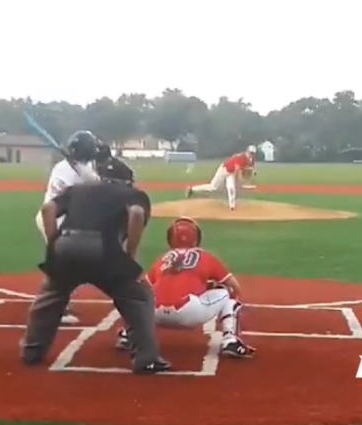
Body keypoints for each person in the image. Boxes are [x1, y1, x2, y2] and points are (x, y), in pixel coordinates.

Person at [20, 157, 171, 374]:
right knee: (138, 297)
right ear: (127, 180)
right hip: (104, 249)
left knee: (50, 296)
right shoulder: (133, 194)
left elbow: (47, 208)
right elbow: (136, 214)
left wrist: (54, 244)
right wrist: (130, 256)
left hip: (66, 246)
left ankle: (31, 350)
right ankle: (146, 358)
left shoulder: (78, 189)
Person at [115, 217, 256, 358]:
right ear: (196, 238)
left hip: (155, 314)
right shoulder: (205, 256)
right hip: (189, 313)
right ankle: (230, 340)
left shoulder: (163, 258)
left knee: (139, 295)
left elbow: (144, 286)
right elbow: (234, 286)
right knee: (228, 292)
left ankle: (129, 334)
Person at [33, 130, 101, 324]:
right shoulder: (63, 170)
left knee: (69, 263)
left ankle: (55, 301)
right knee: (62, 264)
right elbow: (67, 198)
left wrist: (88, 177)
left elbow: (95, 183)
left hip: (68, 223)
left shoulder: (84, 167)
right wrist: (86, 180)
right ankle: (55, 308)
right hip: (54, 221)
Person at [186, 145, 257, 210]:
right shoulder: (241, 158)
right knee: (213, 187)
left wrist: (251, 173)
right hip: (224, 170)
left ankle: (232, 206)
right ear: (247, 151)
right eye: (250, 153)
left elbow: (251, 168)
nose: (251, 155)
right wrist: (242, 181)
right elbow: (237, 172)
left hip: (231, 173)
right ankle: (192, 189)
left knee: (231, 188)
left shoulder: (251, 159)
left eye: (252, 153)